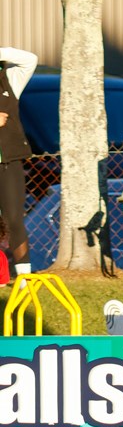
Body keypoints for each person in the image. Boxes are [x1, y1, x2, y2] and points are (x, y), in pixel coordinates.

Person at [0, 45, 38, 279]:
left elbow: (29, 59)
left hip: (8, 162)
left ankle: (25, 278)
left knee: (13, 219)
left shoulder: (10, 81)